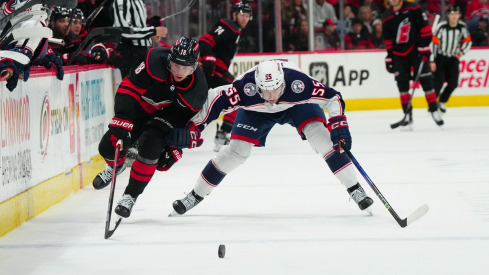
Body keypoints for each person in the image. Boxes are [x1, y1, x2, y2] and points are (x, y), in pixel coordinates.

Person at [167, 60, 374, 216]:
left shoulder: (298, 84)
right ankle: (194, 195)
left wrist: (339, 122)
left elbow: (332, 97)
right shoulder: (244, 88)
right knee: (236, 152)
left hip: (296, 105)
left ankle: (355, 188)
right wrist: (194, 128)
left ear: (283, 81)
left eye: (275, 88)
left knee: (322, 138)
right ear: (256, 86)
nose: (271, 96)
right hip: (256, 110)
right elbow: (213, 102)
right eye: (265, 91)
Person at [90, 37, 208, 218]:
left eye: (185, 68)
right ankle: (117, 165)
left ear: (194, 66)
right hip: (140, 106)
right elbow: (129, 87)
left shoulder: (198, 89)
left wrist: (174, 148)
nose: (179, 72)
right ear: (169, 59)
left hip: (167, 115)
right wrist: (122, 117)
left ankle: (130, 196)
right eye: (176, 65)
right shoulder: (154, 59)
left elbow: (186, 121)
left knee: (151, 147)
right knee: (107, 146)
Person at [199, 1, 252, 152]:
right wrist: (208, 56)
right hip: (213, 70)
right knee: (239, 94)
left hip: (215, 71)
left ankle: (222, 134)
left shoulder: (236, 30)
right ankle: (222, 134)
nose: (245, 18)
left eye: (248, 16)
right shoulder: (229, 25)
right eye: (242, 14)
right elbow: (205, 40)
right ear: (235, 14)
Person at [382, 0, 444, 128]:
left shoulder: (414, 8)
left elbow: (425, 27)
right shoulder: (386, 16)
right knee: (402, 85)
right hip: (399, 55)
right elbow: (388, 40)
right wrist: (390, 57)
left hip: (416, 51)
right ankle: (407, 115)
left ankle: (434, 110)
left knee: (427, 81)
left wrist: (424, 45)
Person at [430, 6, 472, 113]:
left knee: (453, 83)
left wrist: (462, 51)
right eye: (452, 14)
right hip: (440, 58)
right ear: (448, 15)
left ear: (459, 15)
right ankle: (433, 104)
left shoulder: (462, 27)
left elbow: (468, 41)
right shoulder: (441, 26)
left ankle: (442, 101)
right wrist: (432, 60)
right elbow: (433, 44)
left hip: (453, 58)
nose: (454, 16)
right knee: (438, 83)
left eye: (456, 14)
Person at [112, 0, 168, 78]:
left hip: (141, 51)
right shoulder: (122, 1)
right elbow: (124, 31)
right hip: (129, 52)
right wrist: (152, 31)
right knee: (132, 86)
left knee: (144, 86)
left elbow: (136, 23)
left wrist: (150, 25)